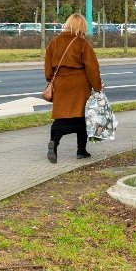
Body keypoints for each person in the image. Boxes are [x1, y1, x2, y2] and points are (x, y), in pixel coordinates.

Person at [44, 13, 103, 162]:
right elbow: (92, 68)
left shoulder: (54, 42)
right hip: (79, 84)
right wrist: (97, 87)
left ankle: (54, 142)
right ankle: (81, 150)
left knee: (62, 115)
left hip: (61, 83)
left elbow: (48, 68)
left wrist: (51, 80)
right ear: (82, 26)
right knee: (82, 115)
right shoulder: (82, 43)